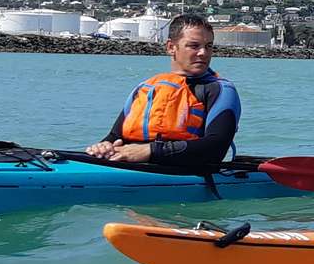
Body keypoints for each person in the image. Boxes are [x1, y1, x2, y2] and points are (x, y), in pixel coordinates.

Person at [84, 13, 240, 168]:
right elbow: (115, 137)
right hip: (128, 165)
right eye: (194, 46)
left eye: (209, 46)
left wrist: (150, 151)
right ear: (171, 47)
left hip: (185, 172)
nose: (203, 53)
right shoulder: (145, 88)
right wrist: (103, 146)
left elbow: (217, 148)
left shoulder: (220, 90)